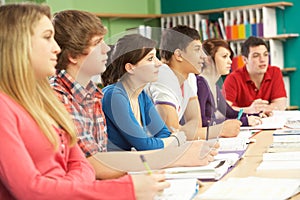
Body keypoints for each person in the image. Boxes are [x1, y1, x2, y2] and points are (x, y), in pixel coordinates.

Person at [0, 4, 169, 199]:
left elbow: (80, 164)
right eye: (47, 38)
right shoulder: (10, 107)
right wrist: (127, 188)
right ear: (17, 45)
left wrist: (66, 185)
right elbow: (32, 189)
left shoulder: (45, 100)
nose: (56, 49)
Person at [50, 10, 216, 181]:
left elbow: (102, 158)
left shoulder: (93, 95)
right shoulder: (64, 97)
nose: (106, 48)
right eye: (98, 43)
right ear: (72, 56)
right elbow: (95, 163)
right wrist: (174, 156)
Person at [146, 25, 240, 140]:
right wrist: (218, 130)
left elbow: (195, 124)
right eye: (197, 50)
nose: (204, 56)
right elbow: (172, 133)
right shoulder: (162, 76)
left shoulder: (189, 77)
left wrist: (185, 132)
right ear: (179, 55)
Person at [197, 38, 262, 127]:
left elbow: (230, 112)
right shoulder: (201, 84)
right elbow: (201, 121)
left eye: (229, 57)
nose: (230, 61)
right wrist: (243, 122)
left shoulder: (212, 85)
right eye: (224, 56)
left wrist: (255, 115)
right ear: (208, 60)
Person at [222, 36, 287, 115]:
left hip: (269, 123)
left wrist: (262, 110)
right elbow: (223, 110)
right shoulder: (233, 78)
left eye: (265, 54)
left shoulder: (275, 72)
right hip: (243, 125)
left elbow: (280, 105)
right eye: (256, 56)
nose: (263, 59)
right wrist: (249, 110)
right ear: (245, 60)